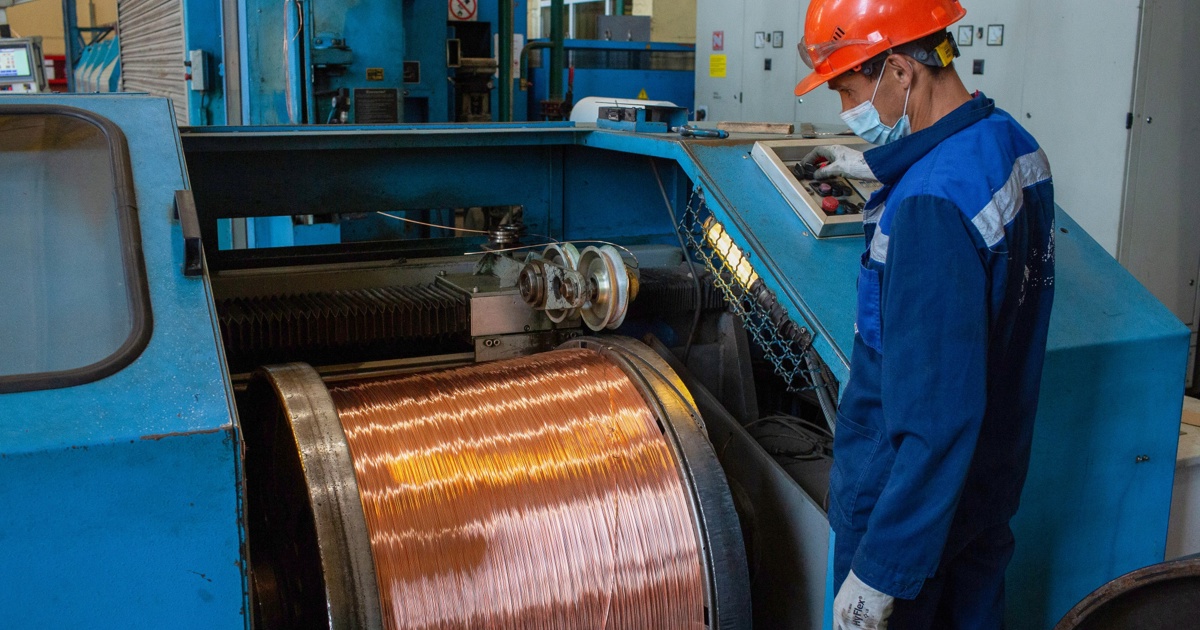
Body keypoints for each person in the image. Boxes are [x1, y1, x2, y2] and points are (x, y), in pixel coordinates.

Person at [794, 1, 1057, 628]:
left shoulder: (930, 205)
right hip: (982, 495)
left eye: (849, 88)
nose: (846, 111)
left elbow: (937, 417)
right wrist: (883, 168)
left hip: (904, 514)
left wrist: (882, 572)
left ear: (899, 71)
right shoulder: (1011, 146)